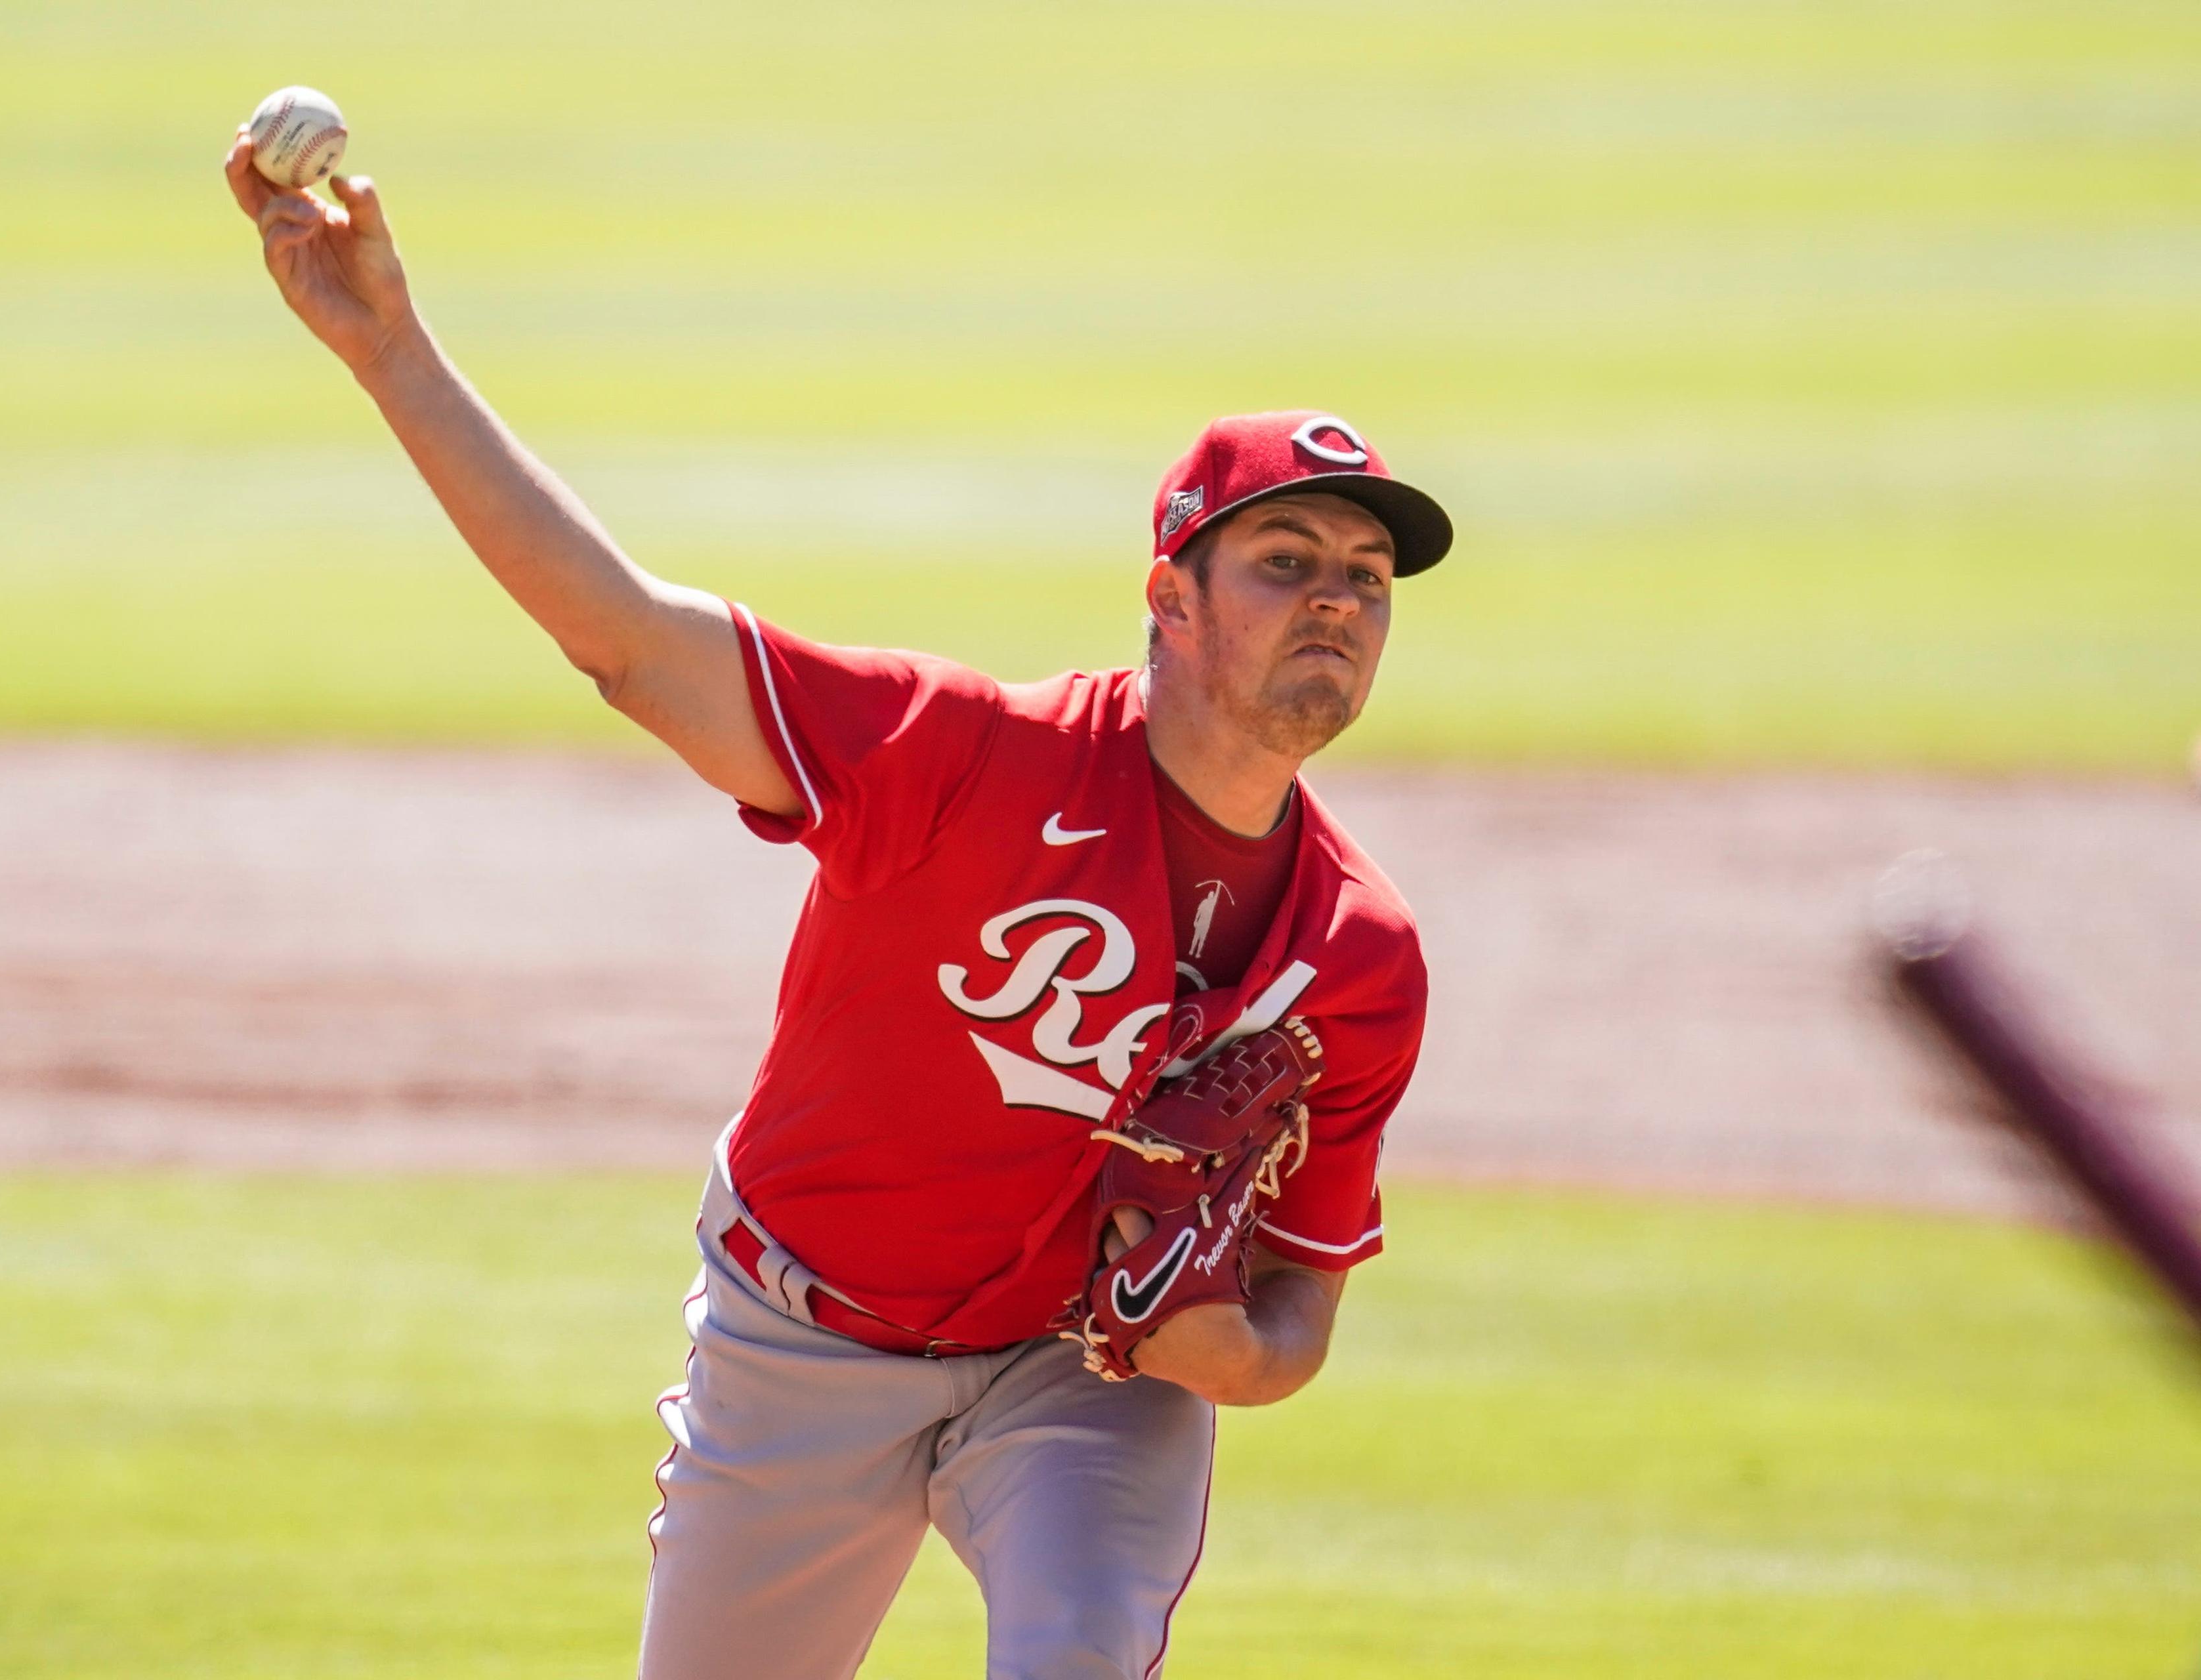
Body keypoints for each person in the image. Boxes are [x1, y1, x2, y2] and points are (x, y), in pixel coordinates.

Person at [226, 136, 1446, 1680]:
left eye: (1368, 575)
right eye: (1286, 559)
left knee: (1077, 1650)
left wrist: (1213, 1344)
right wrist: (390, 351)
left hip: (1076, 1376)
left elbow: (1293, 1316)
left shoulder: (1363, 956)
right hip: (802, 1333)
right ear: (1171, 597)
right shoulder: (958, 758)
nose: (1338, 596)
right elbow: (629, 643)